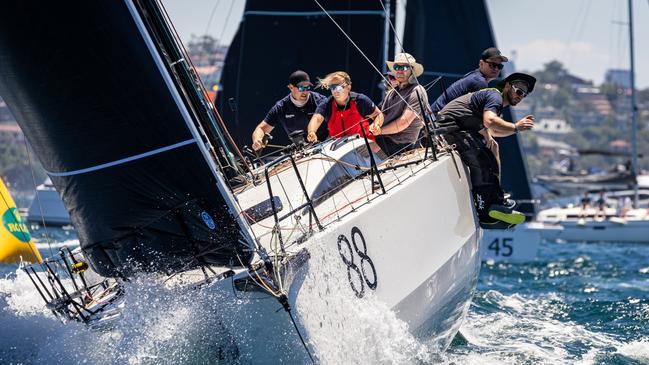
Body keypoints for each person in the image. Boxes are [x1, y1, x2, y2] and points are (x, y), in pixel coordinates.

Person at [437, 72, 536, 229]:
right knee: (482, 162)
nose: (520, 96)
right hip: (448, 128)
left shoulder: (495, 103)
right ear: (508, 86)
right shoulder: (494, 97)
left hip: (458, 128)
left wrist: (515, 130)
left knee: (489, 157)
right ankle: (484, 211)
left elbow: (494, 130)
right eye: (518, 91)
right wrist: (515, 126)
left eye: (524, 94)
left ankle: (496, 201)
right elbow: (490, 121)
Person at [251, 70, 326, 150]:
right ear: (290, 87)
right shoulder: (280, 107)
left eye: (307, 87)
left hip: (327, 143)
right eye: (301, 88)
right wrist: (257, 140)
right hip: (303, 150)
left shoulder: (320, 101)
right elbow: (261, 128)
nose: (305, 91)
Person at [373, 53, 429, 156]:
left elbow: (403, 122)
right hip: (386, 139)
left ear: (412, 70)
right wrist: (375, 125)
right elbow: (383, 115)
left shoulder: (417, 90)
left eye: (404, 67)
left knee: (366, 153)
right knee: (358, 149)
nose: (399, 70)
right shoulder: (391, 92)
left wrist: (380, 131)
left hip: (403, 145)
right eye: (397, 67)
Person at [306, 71, 383, 143]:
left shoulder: (360, 100)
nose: (335, 91)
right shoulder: (327, 104)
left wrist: (376, 125)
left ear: (348, 87)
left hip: (363, 144)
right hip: (340, 149)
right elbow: (316, 118)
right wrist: (311, 132)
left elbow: (378, 114)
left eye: (338, 87)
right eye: (332, 87)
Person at [430, 47, 508, 115]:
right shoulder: (479, 82)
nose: (496, 69)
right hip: (435, 122)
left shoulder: (474, 76)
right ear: (481, 63)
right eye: (493, 65)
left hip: (434, 118)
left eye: (499, 66)